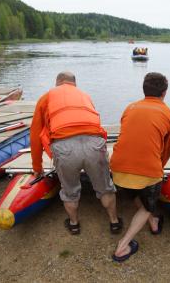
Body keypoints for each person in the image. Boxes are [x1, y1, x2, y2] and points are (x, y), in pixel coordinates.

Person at [30, 71, 122, 235]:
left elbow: (35, 135)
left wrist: (37, 166)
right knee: (105, 188)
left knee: (70, 190)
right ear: (74, 83)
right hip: (94, 143)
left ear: (57, 82)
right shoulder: (85, 96)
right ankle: (114, 222)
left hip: (65, 147)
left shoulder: (47, 97)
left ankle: (74, 224)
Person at [110, 72, 170, 262]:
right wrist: (159, 168)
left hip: (117, 169)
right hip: (147, 170)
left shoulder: (130, 108)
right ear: (164, 92)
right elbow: (166, 149)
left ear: (144, 89)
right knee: (149, 204)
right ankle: (122, 247)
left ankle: (154, 223)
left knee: (136, 193)